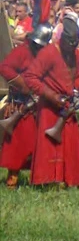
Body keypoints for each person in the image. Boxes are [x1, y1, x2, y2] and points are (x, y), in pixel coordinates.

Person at [23, 15, 79, 187]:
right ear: (63, 39)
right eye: (69, 43)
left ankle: (72, 179)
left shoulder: (76, 55)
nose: (71, 47)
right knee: (49, 147)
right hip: (50, 107)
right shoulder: (49, 52)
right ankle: (47, 181)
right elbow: (31, 77)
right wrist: (51, 96)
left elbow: (76, 81)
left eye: (74, 44)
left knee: (71, 145)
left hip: (67, 106)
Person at [0, 25, 51, 188]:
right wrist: (23, 85)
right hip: (21, 105)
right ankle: (12, 179)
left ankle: (38, 179)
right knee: (16, 145)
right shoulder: (21, 52)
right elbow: (5, 68)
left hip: (37, 105)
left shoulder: (44, 54)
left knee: (36, 144)